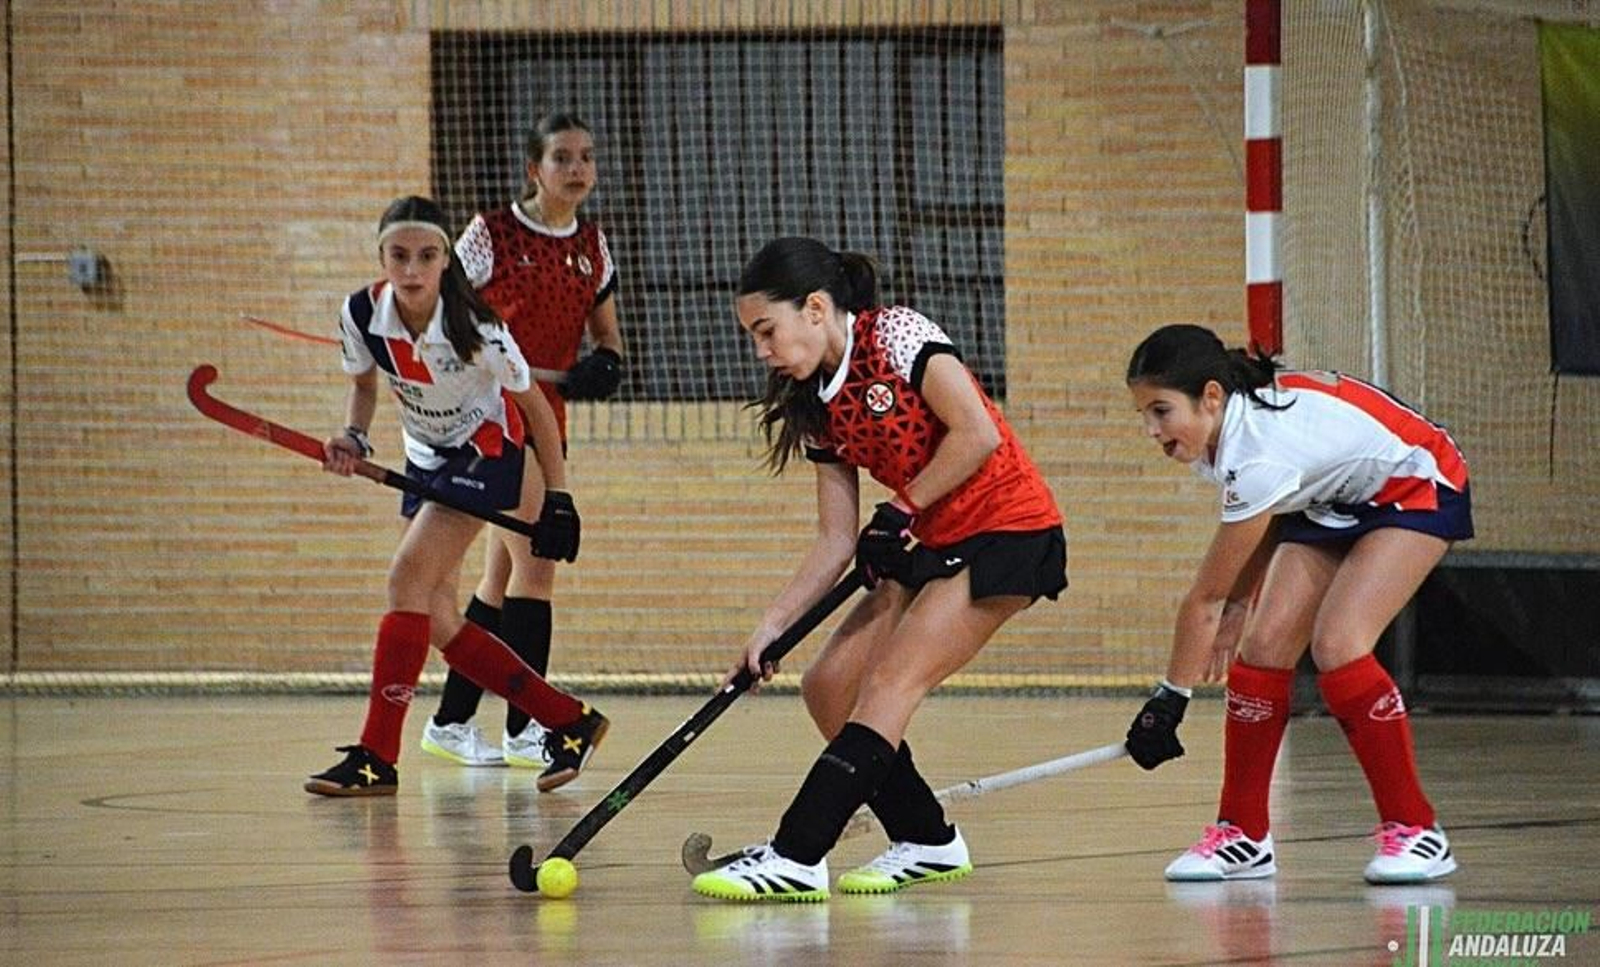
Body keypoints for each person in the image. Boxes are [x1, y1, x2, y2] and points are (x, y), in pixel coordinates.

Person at [689, 237, 1068, 902]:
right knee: (829, 684)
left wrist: (902, 506)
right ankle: (927, 839)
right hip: (926, 536)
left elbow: (976, 432)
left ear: (814, 307)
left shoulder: (895, 334)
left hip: (1007, 526)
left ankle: (798, 852)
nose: (761, 351)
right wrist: (770, 630)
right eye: (753, 336)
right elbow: (836, 538)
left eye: (766, 331)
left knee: (891, 679)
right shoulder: (812, 402)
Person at [1122, 323, 1470, 884]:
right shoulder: (1230, 432)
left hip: (1414, 482)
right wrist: (1240, 609)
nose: (1151, 429)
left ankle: (1417, 831)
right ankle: (1243, 834)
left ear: (1211, 396)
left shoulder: (1256, 453)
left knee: (1338, 642)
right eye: (1144, 415)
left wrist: (1170, 702)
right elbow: (1265, 525)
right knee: (1261, 650)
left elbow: (1204, 596)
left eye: (1161, 411)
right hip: (1332, 496)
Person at [304, 195, 608, 797]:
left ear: (446, 258)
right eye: (399, 256)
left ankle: (376, 757)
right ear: (381, 258)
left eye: (426, 255)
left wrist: (560, 497)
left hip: (487, 451)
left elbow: (535, 408)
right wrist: (354, 437)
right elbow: (363, 386)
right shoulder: (362, 314)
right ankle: (568, 721)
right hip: (427, 457)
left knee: (404, 581)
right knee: (438, 615)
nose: (412, 269)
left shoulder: (478, 326)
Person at [418, 110, 625, 771]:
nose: (577, 169)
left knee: (502, 579)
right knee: (537, 566)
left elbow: (606, 336)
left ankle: (450, 723)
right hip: (494, 418)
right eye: (562, 157)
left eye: (586, 157)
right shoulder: (490, 233)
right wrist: (487, 352)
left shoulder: (593, 244)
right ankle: (530, 727)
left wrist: (608, 362)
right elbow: (445, 311)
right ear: (534, 169)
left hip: (547, 417)